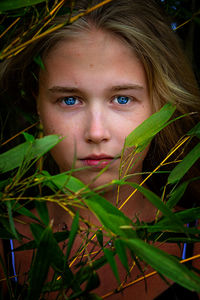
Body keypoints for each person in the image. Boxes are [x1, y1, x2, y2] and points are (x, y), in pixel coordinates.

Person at [0, 0, 200, 299]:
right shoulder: (6, 252)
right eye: (70, 100)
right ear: (37, 104)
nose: (96, 133)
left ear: (161, 105)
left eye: (122, 99)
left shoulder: (193, 247)